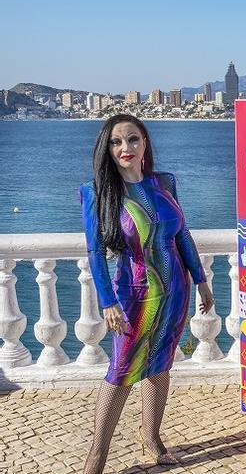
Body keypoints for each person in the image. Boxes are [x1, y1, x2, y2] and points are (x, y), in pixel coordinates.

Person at [80, 114, 215, 473]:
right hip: (133, 296)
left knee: (160, 364)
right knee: (121, 372)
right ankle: (97, 457)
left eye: (133, 139)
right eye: (116, 142)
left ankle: (152, 437)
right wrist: (107, 301)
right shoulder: (97, 193)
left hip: (176, 294)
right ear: (106, 149)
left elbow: (182, 234)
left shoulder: (164, 183)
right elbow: (94, 253)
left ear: (145, 144)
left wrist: (201, 279)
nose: (125, 148)